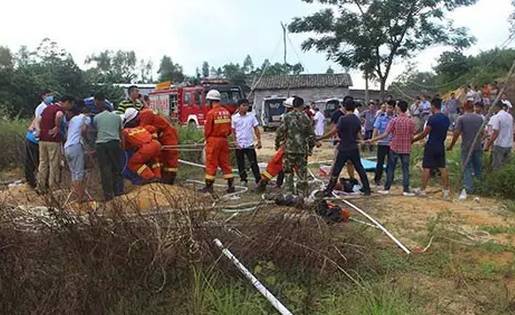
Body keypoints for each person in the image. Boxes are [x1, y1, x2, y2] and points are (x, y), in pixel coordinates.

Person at [319, 98, 371, 196]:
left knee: (336, 170)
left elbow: (333, 132)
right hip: (354, 148)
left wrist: (320, 138)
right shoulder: (356, 119)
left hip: (343, 148)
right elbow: (359, 135)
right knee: (359, 168)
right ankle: (367, 189)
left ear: (344, 107)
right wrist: (363, 141)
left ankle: (329, 190)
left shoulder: (342, 119)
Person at [370, 100, 416, 196]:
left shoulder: (394, 120)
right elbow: (412, 136)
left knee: (391, 168)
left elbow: (385, 134)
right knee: (405, 169)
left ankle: (387, 189)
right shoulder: (411, 122)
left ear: (398, 108)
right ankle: (406, 190)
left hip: (394, 147)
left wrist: (373, 140)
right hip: (406, 149)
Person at [276, 96, 317, 197]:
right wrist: (311, 148)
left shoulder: (287, 117)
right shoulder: (306, 118)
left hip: (289, 149)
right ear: (302, 105)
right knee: (302, 172)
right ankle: (301, 194)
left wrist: (277, 144)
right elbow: (311, 136)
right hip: (302, 150)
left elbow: (280, 132)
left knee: (288, 171)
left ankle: (289, 192)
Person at [412, 98, 451, 199]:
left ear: (433, 106)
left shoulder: (432, 119)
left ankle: (423, 189)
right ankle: (446, 190)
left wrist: (413, 140)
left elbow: (425, 133)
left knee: (427, 167)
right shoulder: (446, 118)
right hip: (440, 144)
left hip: (431, 145)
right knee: (442, 167)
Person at [447, 99, 483, 201]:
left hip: (466, 146)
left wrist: (451, 145)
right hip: (477, 146)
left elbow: (456, 133)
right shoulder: (480, 118)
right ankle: (479, 187)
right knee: (478, 167)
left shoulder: (461, 118)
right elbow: (482, 133)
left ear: (464, 108)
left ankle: (468, 187)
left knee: (467, 167)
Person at [200, 89, 234, 193]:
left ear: (211, 101)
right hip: (224, 140)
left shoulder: (211, 113)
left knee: (211, 163)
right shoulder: (226, 112)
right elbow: (229, 129)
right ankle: (231, 186)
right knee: (225, 163)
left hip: (213, 140)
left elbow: (207, 130)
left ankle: (209, 187)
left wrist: (206, 139)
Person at [37, 95, 73, 193]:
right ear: (66, 102)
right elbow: (59, 115)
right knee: (54, 163)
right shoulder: (59, 109)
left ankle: (40, 186)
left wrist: (40, 130)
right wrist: (57, 126)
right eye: (70, 104)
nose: (70, 107)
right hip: (53, 140)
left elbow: (38, 120)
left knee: (43, 162)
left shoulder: (47, 108)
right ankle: (53, 187)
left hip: (42, 139)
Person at [93, 93, 124, 201]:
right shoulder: (117, 117)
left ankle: (108, 195)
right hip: (114, 143)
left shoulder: (96, 118)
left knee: (104, 169)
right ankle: (119, 193)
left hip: (101, 145)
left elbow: (97, 131)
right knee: (116, 168)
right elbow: (121, 133)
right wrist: (122, 145)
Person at [138, 108, 179, 184]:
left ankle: (167, 179)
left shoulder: (145, 115)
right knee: (161, 157)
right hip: (164, 135)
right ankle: (162, 178)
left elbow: (145, 132)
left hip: (167, 136)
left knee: (170, 156)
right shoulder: (145, 114)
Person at [122, 109, 162, 181]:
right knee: (154, 160)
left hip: (147, 148)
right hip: (156, 144)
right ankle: (158, 176)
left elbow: (124, 146)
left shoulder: (124, 132)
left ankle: (150, 177)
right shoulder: (139, 128)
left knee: (133, 163)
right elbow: (152, 129)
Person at [24, 90, 54, 188]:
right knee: (33, 162)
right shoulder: (41, 108)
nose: (50, 97)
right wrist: (39, 133)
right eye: (48, 95)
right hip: (35, 138)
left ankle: (43, 184)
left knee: (44, 162)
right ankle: (32, 183)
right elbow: (37, 122)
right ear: (43, 96)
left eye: (51, 95)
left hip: (43, 138)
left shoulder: (51, 106)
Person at [231, 98, 262, 186]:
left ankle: (258, 180)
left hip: (249, 144)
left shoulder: (251, 116)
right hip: (239, 144)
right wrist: (235, 142)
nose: (245, 108)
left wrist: (259, 140)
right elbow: (233, 131)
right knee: (240, 163)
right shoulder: (234, 118)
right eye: (243, 105)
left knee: (253, 163)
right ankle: (243, 179)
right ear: (239, 107)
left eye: (247, 106)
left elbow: (256, 129)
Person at [64, 103, 90, 202]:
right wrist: (87, 140)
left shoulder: (72, 121)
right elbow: (84, 130)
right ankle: (80, 199)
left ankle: (75, 195)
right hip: (75, 146)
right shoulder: (85, 118)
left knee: (74, 173)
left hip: (67, 147)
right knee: (79, 173)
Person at [330, 97, 356, 180]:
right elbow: (333, 128)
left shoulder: (352, 115)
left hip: (351, 142)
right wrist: (337, 137)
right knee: (336, 162)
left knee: (350, 162)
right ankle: (332, 179)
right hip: (340, 143)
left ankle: (352, 178)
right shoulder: (337, 114)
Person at [372, 101, 395, 187]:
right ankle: (377, 179)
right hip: (382, 143)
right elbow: (376, 128)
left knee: (391, 162)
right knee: (380, 162)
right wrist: (373, 140)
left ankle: (389, 179)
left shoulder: (395, 118)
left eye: (390, 107)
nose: (388, 109)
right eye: (387, 107)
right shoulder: (381, 117)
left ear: (394, 108)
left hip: (392, 144)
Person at [485, 101, 513, 169]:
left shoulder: (497, 117)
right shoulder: (510, 116)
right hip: (508, 145)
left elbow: (495, 133)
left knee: (497, 167)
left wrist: (487, 145)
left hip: (499, 145)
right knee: (505, 167)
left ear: (496, 107)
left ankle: (496, 179)